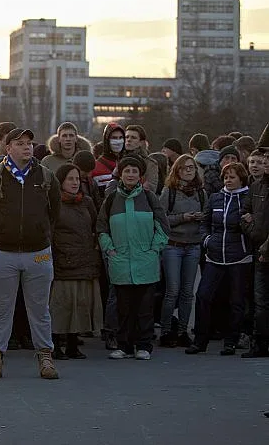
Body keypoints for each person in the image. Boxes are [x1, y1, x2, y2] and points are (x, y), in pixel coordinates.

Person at [0, 128, 61, 380]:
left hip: (38, 253)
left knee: (40, 309)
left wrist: (39, 230)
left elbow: (55, 210)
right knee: (0, 309)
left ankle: (45, 357)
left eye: (29, 143)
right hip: (1, 252)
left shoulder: (45, 175)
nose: (27, 147)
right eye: (20, 144)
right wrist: (0, 227)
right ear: (7, 148)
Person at [97, 156, 169, 361]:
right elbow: (101, 227)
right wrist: (109, 250)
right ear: (120, 173)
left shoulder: (149, 197)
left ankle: (144, 346)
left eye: (134, 171)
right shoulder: (111, 199)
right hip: (120, 262)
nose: (130, 175)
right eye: (127, 171)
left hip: (145, 262)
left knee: (145, 309)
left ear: (140, 175)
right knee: (123, 308)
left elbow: (162, 226)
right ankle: (124, 346)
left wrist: (155, 249)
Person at [187, 162, 252, 356]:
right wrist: (207, 240)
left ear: (241, 178)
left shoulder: (248, 199)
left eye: (232, 177)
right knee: (203, 296)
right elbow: (205, 223)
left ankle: (230, 341)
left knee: (236, 301)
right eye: (226, 177)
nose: (228, 180)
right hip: (215, 257)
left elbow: (254, 226)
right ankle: (200, 340)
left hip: (239, 259)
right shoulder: (215, 198)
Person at [50, 164, 102, 360]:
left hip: (84, 261)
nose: (74, 183)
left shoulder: (86, 202)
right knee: (61, 305)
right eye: (70, 179)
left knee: (80, 303)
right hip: (63, 261)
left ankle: (73, 345)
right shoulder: (54, 202)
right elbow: (50, 232)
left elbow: (95, 226)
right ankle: (55, 345)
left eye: (77, 179)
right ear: (61, 182)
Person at [158, 154, 206, 348]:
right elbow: (162, 219)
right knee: (172, 290)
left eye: (192, 168)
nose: (189, 171)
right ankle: (166, 331)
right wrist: (183, 217)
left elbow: (208, 216)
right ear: (177, 170)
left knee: (188, 292)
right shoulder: (169, 192)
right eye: (185, 168)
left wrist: (201, 218)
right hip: (173, 245)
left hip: (193, 245)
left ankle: (182, 331)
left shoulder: (201, 193)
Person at [243, 145, 269, 358]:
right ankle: (259, 344)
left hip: (264, 250)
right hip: (260, 252)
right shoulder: (257, 187)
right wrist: (252, 230)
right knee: (260, 302)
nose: (265, 161)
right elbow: (244, 214)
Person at [91, 123, 125, 196]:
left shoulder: (130, 162)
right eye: (114, 138)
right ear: (107, 140)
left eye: (121, 137)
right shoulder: (95, 166)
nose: (118, 141)